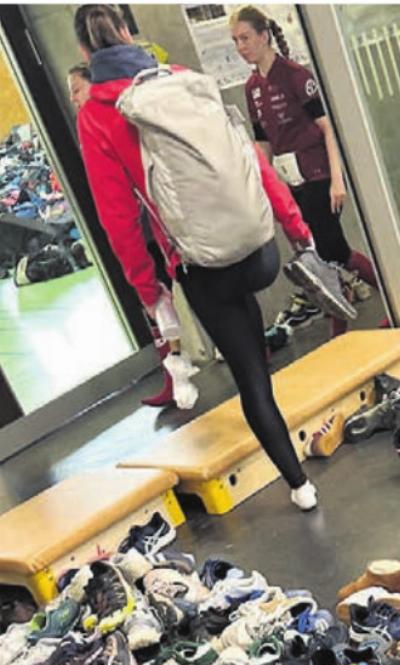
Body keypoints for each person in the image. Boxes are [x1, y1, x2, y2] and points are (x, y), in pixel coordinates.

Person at [73, 3, 325, 510]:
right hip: (259, 252)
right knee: (253, 331)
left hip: (200, 265)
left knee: (250, 374)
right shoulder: (183, 79)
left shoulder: (97, 115)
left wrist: (152, 295)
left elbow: (118, 218)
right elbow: (248, 159)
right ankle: (283, 409)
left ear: (84, 51)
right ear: (129, 31)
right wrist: (298, 230)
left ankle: (300, 486)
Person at [230, 5, 378, 339]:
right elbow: (263, 142)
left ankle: (366, 307)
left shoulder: (296, 75)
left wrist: (337, 180)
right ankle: (341, 321)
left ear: (264, 36)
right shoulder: (252, 89)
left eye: (246, 38)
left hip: (318, 174)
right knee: (317, 255)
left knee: (332, 250)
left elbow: (327, 129)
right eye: (235, 41)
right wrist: (263, 187)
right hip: (289, 180)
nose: (241, 47)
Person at [69, 59, 178, 408]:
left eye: (76, 89)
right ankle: (173, 376)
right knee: (154, 305)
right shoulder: (89, 126)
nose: (73, 98)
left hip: (163, 224)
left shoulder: (122, 112)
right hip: (138, 234)